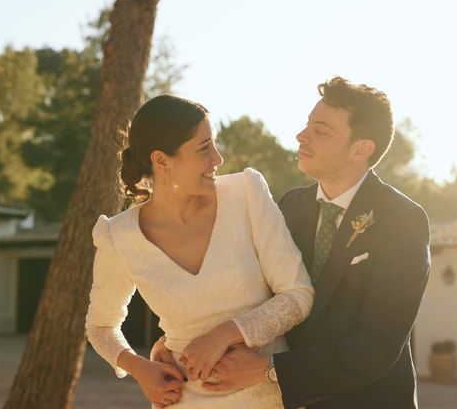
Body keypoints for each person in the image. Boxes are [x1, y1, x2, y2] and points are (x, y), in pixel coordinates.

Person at [155, 77, 431, 408]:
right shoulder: (289, 206)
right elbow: (246, 293)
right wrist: (172, 345)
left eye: (321, 131)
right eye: (307, 125)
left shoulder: (402, 220)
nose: (302, 136)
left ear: (362, 149)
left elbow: (376, 349)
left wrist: (270, 371)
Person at [85, 94, 314, 408]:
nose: (217, 158)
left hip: (265, 395)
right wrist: (141, 369)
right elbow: (100, 326)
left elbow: (297, 294)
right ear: (162, 161)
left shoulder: (246, 194)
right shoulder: (118, 235)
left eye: (214, 143)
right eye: (204, 147)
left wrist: (225, 334)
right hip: (182, 399)